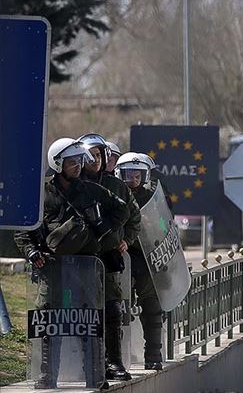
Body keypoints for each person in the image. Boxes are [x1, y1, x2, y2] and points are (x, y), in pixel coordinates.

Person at [14, 138, 129, 389]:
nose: (78, 166)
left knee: (89, 319)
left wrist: (100, 230)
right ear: (57, 164)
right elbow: (23, 230)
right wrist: (33, 251)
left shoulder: (90, 189)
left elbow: (122, 210)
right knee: (48, 320)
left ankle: (95, 373)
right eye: (71, 161)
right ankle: (46, 375)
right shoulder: (41, 194)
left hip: (86, 267)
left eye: (79, 160)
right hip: (51, 268)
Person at [78, 133, 140, 381]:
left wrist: (127, 239)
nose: (95, 160)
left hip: (108, 258)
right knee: (83, 312)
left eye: (99, 155)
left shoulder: (117, 186)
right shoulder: (73, 185)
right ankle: (88, 364)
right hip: (79, 258)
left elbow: (133, 217)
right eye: (90, 155)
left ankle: (113, 362)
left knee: (112, 310)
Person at [114, 152, 165, 370]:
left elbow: (164, 222)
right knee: (116, 309)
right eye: (128, 175)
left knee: (153, 308)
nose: (133, 180)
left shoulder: (153, 196)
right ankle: (116, 358)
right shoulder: (113, 194)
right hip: (122, 255)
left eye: (138, 175)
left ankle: (153, 354)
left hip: (147, 257)